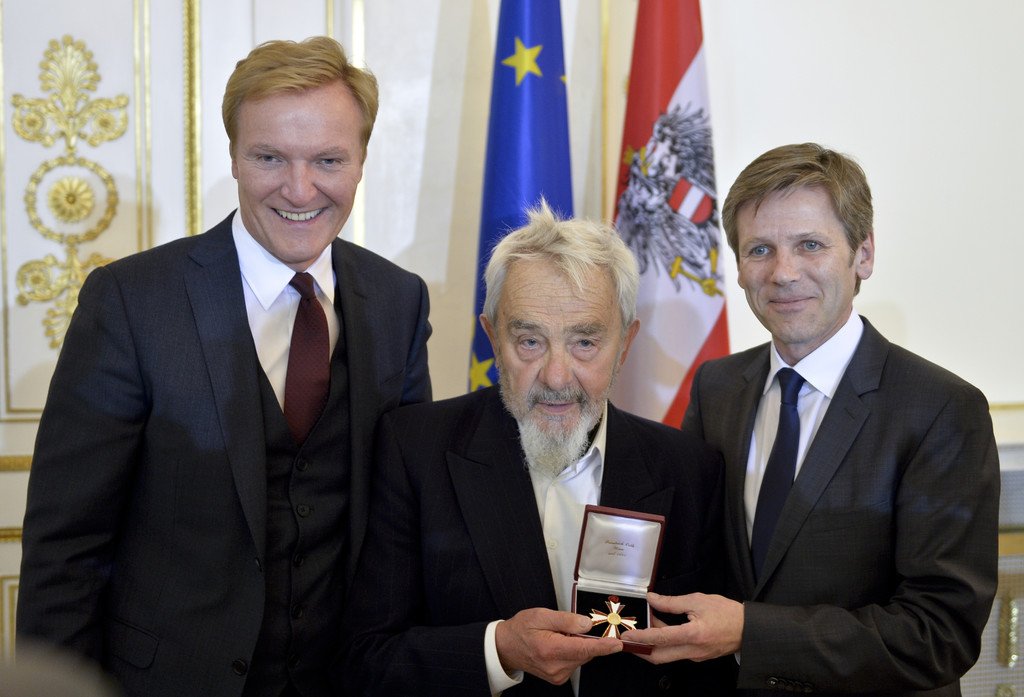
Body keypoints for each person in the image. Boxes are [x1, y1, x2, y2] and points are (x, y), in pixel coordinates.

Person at [17, 36, 432, 697]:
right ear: (234, 157)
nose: (300, 188)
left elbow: (407, 522)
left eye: (328, 159)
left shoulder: (399, 300)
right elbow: (66, 547)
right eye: (270, 157)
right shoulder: (130, 301)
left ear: (360, 162)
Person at [629, 143, 1000, 695]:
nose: (783, 273)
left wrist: (750, 632)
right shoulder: (717, 387)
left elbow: (938, 634)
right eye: (760, 249)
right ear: (739, 268)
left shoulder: (942, 410)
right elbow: (695, 557)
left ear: (863, 255)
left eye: (810, 245)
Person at [336, 202, 734, 696]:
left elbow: (711, 671)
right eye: (530, 342)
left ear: (626, 343)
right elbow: (364, 660)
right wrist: (497, 650)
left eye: (585, 343)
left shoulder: (690, 468)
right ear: (492, 337)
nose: (556, 377)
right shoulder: (415, 450)